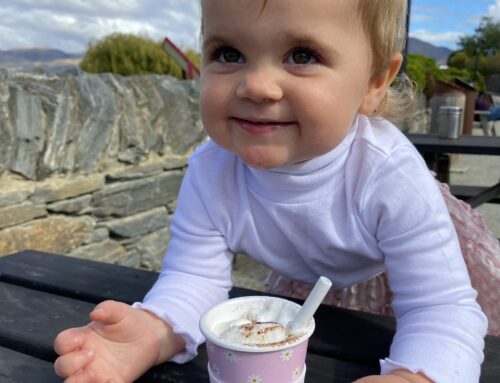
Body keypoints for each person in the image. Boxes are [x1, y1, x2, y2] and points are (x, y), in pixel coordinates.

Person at [53, 1, 488, 382]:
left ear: (374, 82)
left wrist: (415, 376)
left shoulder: (390, 176)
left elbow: (441, 308)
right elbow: (193, 277)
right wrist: (154, 330)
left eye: (302, 54)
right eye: (228, 53)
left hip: (411, 266)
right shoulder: (211, 172)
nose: (257, 86)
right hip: (313, 278)